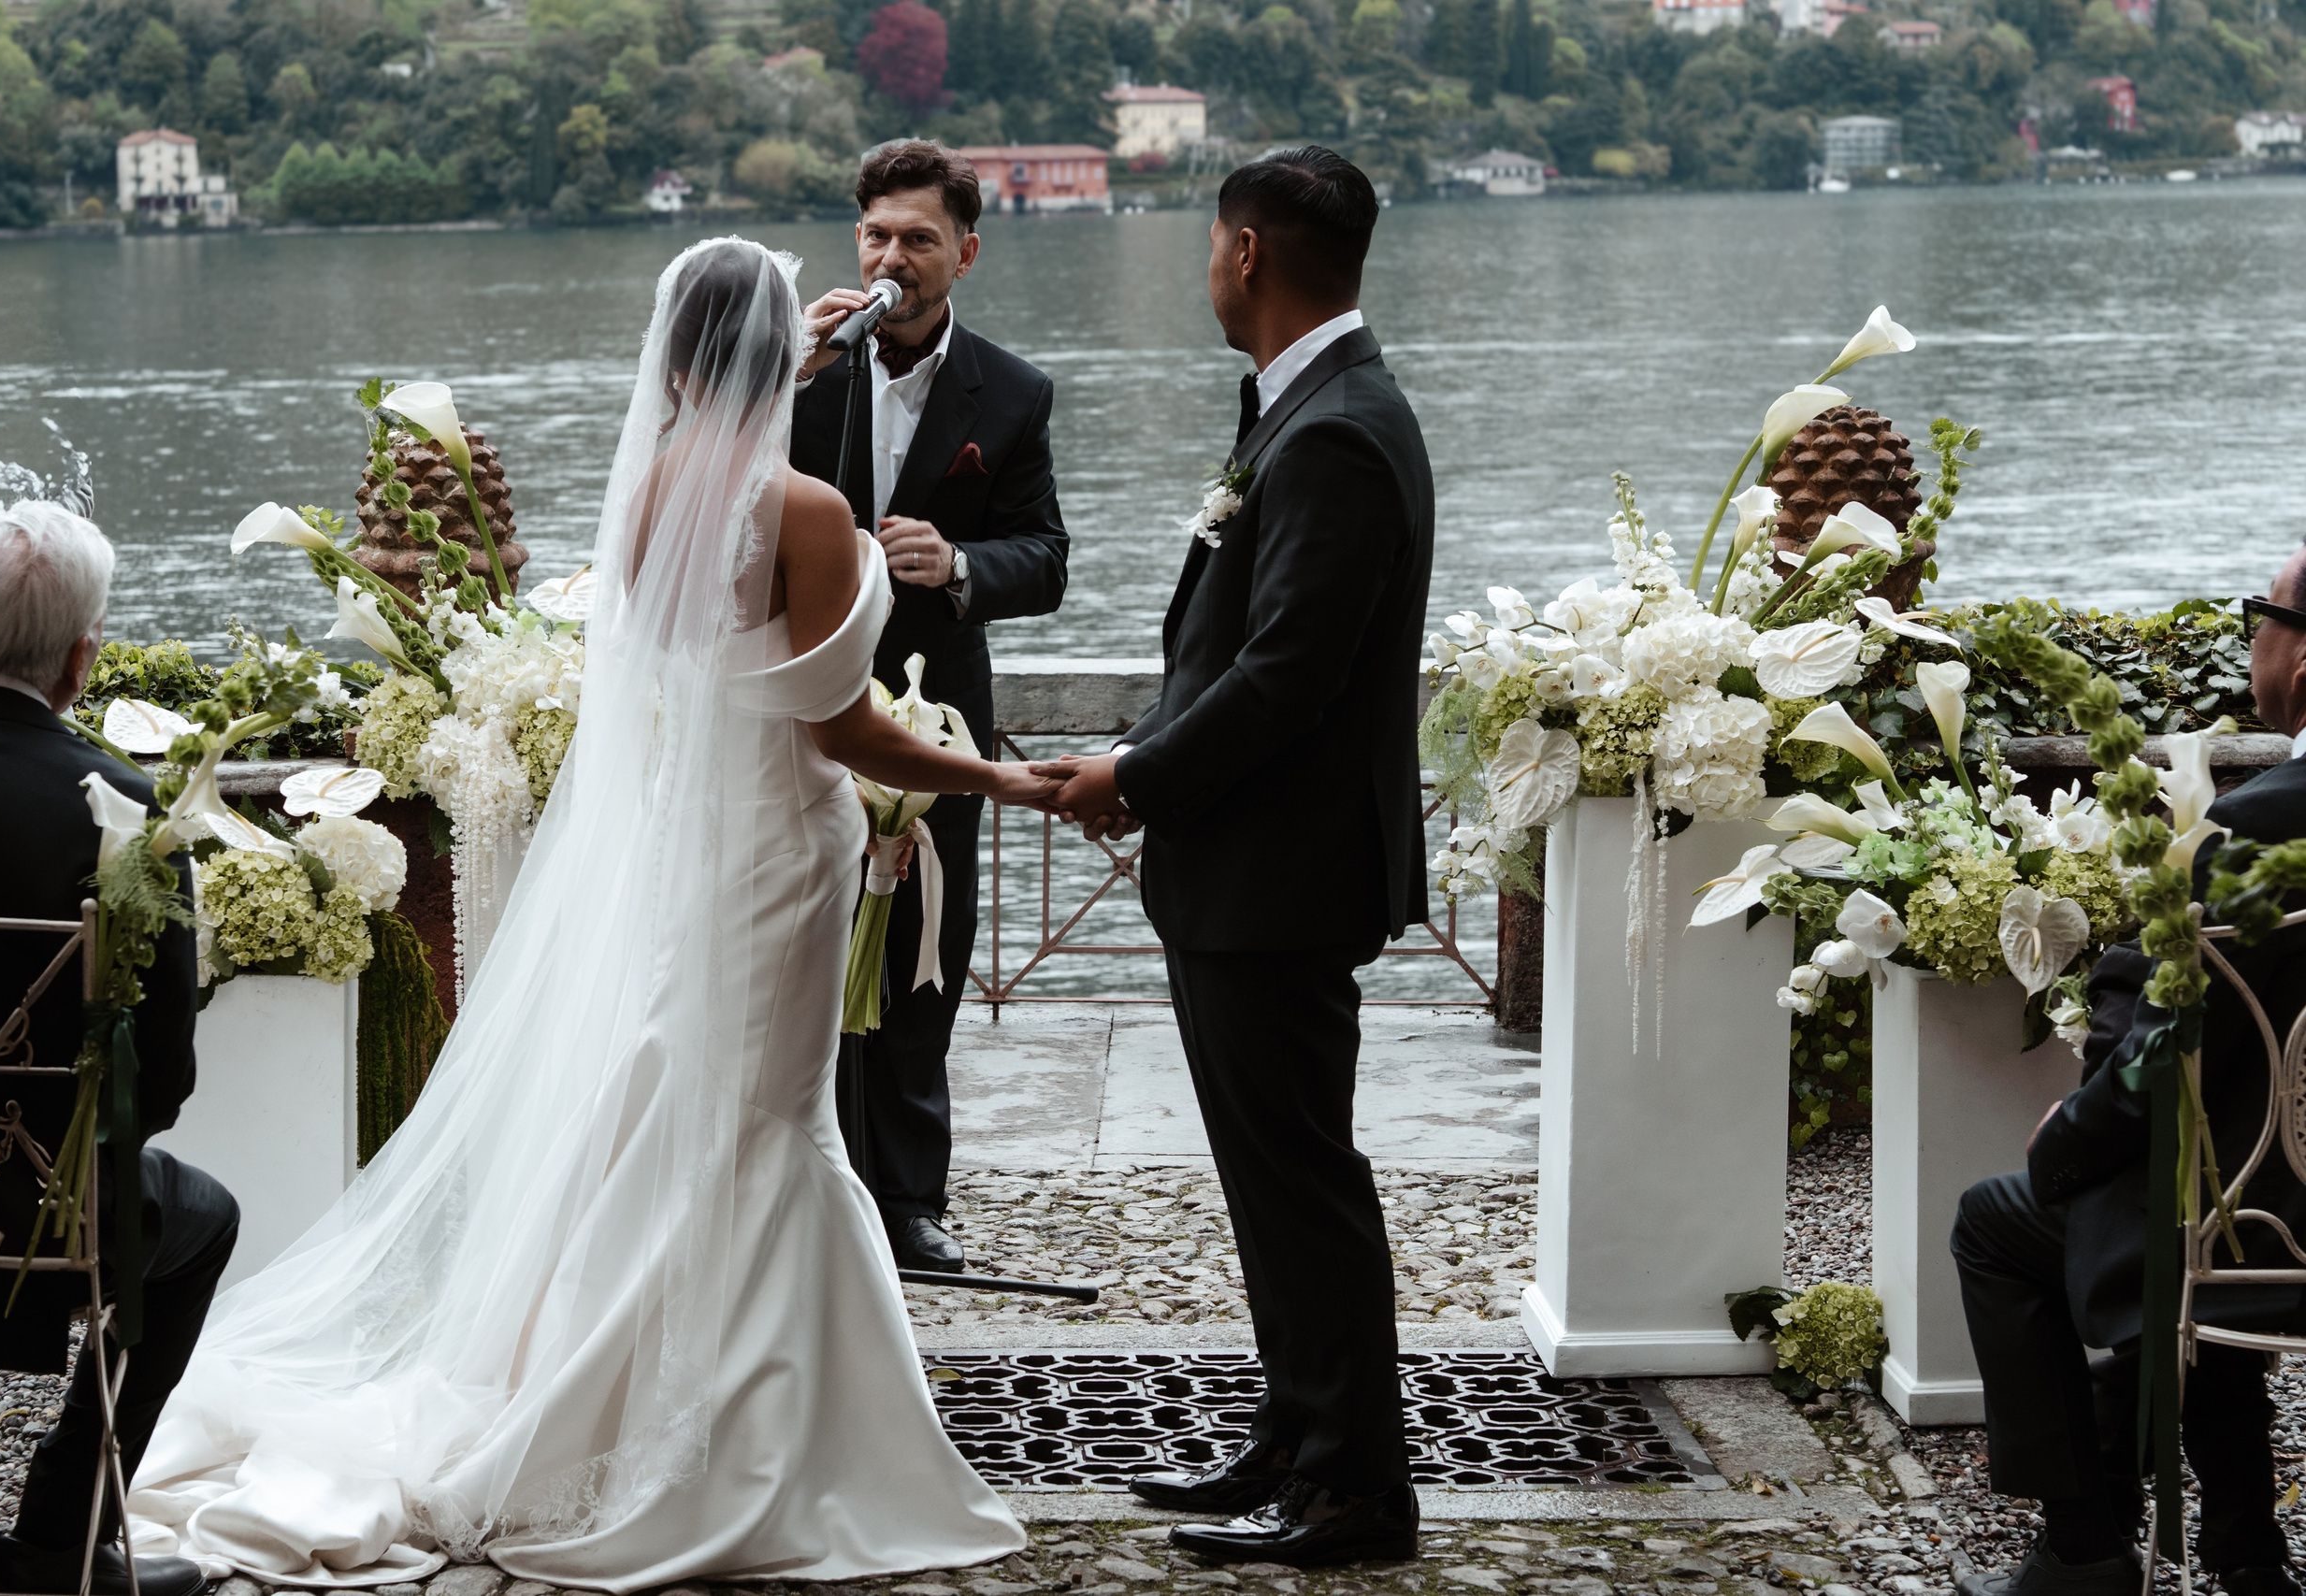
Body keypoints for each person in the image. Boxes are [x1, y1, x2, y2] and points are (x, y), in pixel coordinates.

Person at [125, 239, 1064, 1590]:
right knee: (763, 1126)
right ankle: (749, 1438)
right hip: (784, 857)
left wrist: (766, 367)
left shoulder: (647, 493)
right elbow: (843, 718)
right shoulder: (803, 511)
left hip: (693, 857)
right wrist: (991, 772)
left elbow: (709, 663)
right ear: (770, 360)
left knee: (689, 1109)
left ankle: (614, 1396)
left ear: (674, 359)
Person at [1041, 147, 1434, 1567]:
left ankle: (1355, 1495)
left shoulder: (1334, 428)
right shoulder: (1310, 406)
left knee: (1304, 1181)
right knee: (1274, 1178)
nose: (1208, 265)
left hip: (1280, 876)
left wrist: (1136, 773)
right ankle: (1293, 1432)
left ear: (1250, 251)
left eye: (1212, 243)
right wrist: (1150, 746)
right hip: (1254, 869)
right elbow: (1236, 651)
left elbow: (1284, 675)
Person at [1951, 547, 2306, 1596]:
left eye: (2261, 615)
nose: (2255, 638)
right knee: (2198, 1191)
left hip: (2261, 1218)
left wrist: (2064, 1133)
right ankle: (2243, 1556)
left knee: (2008, 1219)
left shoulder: (2260, 823)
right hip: (2264, 1194)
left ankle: (2082, 1546)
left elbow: (2157, 1060)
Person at [0, 504, 235, 1596]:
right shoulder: (123, 814)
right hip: (37, 1207)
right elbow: (167, 1080)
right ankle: (54, 1544)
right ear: (81, 659)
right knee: (197, 1220)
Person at [791, 139, 1070, 1274]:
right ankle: (807, 1183)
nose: (891, 257)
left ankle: (906, 1202)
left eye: (916, 237)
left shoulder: (1009, 392)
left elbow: (1045, 560)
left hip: (932, 718)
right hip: (801, 709)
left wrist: (957, 566)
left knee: (922, 955)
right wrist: (783, 373)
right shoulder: (799, 369)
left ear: (965, 250)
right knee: (799, 944)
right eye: (875, 235)